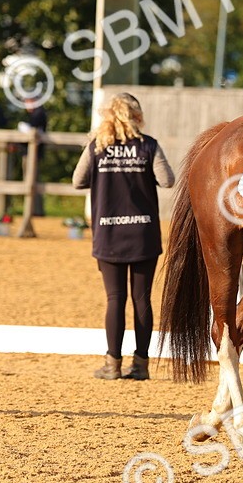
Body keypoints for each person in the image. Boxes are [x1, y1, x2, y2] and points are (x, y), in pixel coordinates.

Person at [72, 93, 175, 380]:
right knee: (142, 299)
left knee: (115, 298)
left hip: (109, 231)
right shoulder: (148, 146)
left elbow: (77, 180)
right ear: (136, 116)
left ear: (106, 116)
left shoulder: (96, 147)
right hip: (143, 231)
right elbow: (167, 179)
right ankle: (141, 365)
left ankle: (112, 365)